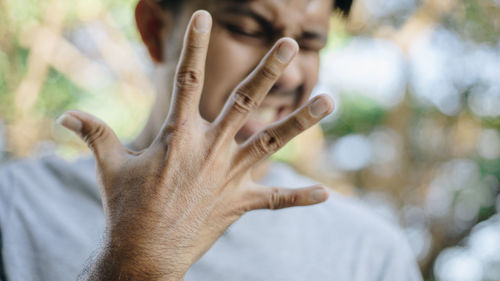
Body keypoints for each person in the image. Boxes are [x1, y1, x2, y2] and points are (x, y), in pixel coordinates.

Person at [0, 0, 423, 280]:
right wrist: (135, 264)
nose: (289, 74)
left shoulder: (371, 255)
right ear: (154, 28)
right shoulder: (15, 204)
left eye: (310, 44)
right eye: (248, 28)